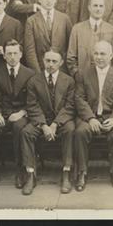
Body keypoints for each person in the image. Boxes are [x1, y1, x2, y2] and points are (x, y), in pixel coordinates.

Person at [73, 40, 113, 191]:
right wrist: (90, 118)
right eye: (96, 53)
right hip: (89, 115)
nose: (99, 57)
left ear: (111, 56)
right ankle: (82, 172)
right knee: (81, 131)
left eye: (103, 54)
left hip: (110, 115)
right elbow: (79, 99)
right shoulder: (83, 74)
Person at [20, 51, 76, 195]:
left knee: (70, 130)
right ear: (43, 61)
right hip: (41, 120)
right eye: (48, 61)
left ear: (61, 63)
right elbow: (32, 105)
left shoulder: (69, 81)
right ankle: (30, 174)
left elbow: (69, 106)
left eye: (54, 61)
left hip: (61, 120)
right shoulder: (34, 81)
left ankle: (66, 173)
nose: (50, 64)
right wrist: (44, 125)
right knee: (26, 132)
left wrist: (55, 124)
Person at [0, 39, 35, 189]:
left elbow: (33, 101)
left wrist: (22, 113)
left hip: (22, 114)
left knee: (19, 128)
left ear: (21, 54)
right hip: (4, 113)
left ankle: (20, 170)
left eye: (15, 53)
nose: (12, 57)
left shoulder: (30, 74)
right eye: (9, 54)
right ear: (4, 56)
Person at [23, 0, 73, 73]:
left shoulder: (64, 19)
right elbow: (30, 51)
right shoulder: (31, 21)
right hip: (41, 69)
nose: (49, 0)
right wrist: (38, 73)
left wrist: (63, 69)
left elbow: (70, 47)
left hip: (61, 70)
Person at [67, 0, 113, 75]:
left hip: (105, 77)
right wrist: (77, 74)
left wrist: (112, 77)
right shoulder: (77, 29)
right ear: (89, 7)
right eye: (95, 5)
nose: (98, 9)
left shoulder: (112, 30)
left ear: (104, 8)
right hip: (83, 77)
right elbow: (71, 57)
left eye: (101, 6)